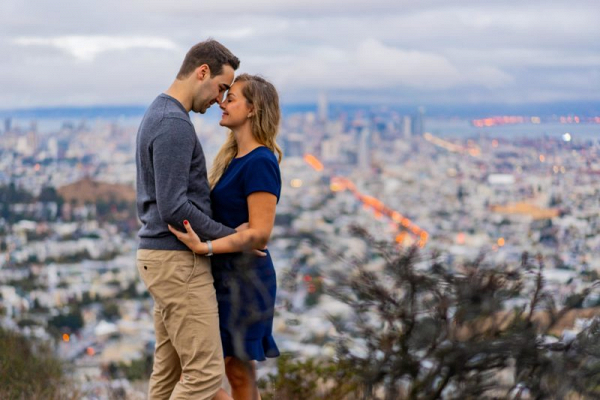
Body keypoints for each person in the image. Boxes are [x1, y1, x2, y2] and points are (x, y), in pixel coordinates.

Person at [135, 39, 241, 400]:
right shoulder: (173, 123)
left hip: (162, 259)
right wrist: (230, 238)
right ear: (202, 72)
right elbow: (174, 207)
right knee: (205, 375)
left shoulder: (159, 112)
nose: (220, 100)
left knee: (170, 373)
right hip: (177, 262)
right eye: (221, 87)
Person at [169, 73, 282, 400]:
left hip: (245, 280)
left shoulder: (260, 161)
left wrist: (206, 246)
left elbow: (259, 234)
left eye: (231, 97)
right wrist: (234, 235)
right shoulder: (233, 159)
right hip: (228, 273)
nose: (222, 102)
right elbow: (240, 226)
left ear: (252, 109)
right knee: (226, 370)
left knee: (226, 371)